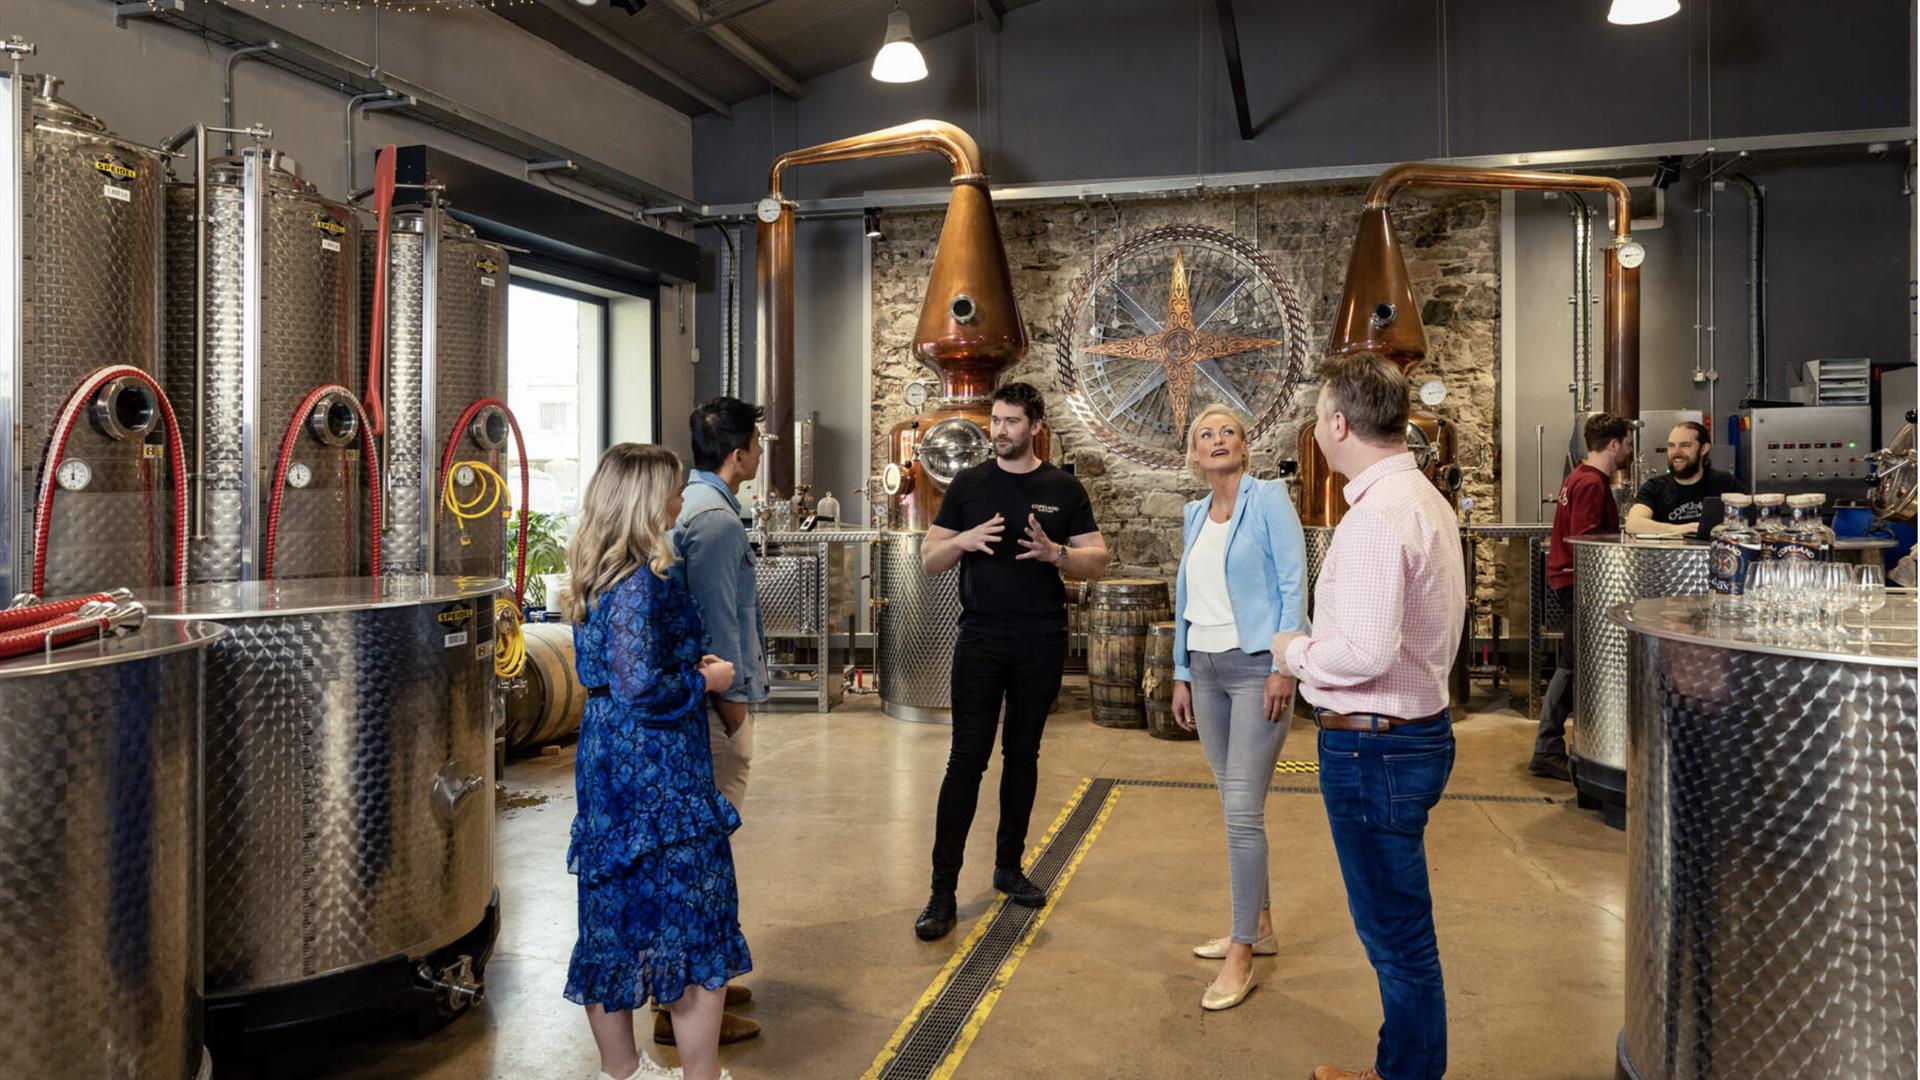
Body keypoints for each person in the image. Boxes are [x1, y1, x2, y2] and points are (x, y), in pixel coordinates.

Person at [1270, 353, 1466, 1080]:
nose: (1316, 427)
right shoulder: (1422, 500)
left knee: (1397, 940)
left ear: (1339, 424)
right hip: (1414, 735)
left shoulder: (1376, 520)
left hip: (1374, 751)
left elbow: (1362, 653)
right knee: (1400, 929)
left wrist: (1293, 652)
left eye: (1319, 415)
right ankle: (1399, 1067)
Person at [561, 443, 750, 1080]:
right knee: (694, 913)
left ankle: (626, 1073)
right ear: (646, 502)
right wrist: (711, 681)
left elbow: (624, 674)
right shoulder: (639, 580)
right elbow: (642, 687)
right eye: (673, 489)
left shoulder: (598, 573)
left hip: (609, 760)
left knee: (615, 915)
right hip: (657, 765)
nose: (680, 499)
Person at [912, 382, 1109, 941]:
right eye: (995, 421)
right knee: (965, 761)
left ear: (1035, 426)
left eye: (1011, 421)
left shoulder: (1062, 488)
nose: (999, 431)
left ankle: (1008, 867)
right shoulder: (969, 486)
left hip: (1040, 640)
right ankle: (942, 890)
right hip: (980, 640)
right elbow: (930, 560)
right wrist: (965, 539)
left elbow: (1097, 560)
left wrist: (1057, 554)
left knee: (1023, 756)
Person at [1166, 403, 1308, 1012]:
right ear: (1194, 455)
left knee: (1242, 812)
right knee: (1235, 804)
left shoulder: (1269, 498)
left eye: (1228, 431)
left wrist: (1284, 664)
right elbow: (1186, 599)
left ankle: (1242, 952)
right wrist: (1179, 672)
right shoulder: (1195, 514)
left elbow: (1294, 583)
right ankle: (1262, 923)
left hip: (1256, 671)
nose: (1218, 439)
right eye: (1206, 433)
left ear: (1244, 448)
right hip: (1206, 669)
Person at [670, 397, 768, 1046]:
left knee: (701, 856)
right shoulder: (717, 523)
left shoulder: (694, 507)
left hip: (699, 710)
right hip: (712, 713)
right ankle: (682, 1011)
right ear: (738, 455)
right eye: (757, 444)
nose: (760, 453)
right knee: (703, 860)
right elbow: (716, 634)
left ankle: (704, 983)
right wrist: (735, 720)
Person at [1533, 413, 1633, 781]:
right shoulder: (1591, 483)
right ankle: (1547, 748)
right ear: (1613, 445)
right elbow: (1586, 541)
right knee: (1572, 665)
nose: (1630, 449)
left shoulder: (1579, 476)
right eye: (1627, 442)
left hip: (1568, 579)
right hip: (1579, 583)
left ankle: (1556, 745)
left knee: (1572, 663)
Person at [1624, 420, 1741, 537]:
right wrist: (1680, 529)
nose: (1676, 452)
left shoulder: (1725, 483)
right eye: (1671, 445)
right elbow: (1633, 524)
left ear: (1704, 449)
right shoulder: (1654, 487)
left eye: (1685, 445)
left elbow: (1748, 520)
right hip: (1668, 554)